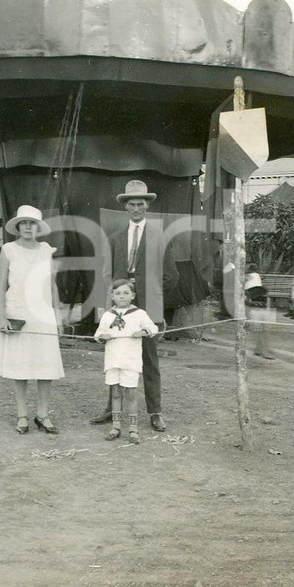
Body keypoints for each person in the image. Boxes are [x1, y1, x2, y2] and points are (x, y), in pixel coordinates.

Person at [91, 180, 178, 433]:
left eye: (141, 203)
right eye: (132, 204)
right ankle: (112, 410)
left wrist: (148, 293)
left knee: (149, 359)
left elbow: (172, 277)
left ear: (147, 206)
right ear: (126, 207)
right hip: (119, 308)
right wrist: (119, 297)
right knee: (116, 358)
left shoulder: (160, 237)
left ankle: (155, 412)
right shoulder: (116, 238)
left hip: (149, 308)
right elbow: (107, 275)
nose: (137, 208)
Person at [0, 204, 65, 434]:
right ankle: (22, 415)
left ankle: (42, 414)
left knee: (46, 366)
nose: (28, 227)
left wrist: (58, 316)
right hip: (17, 313)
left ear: (37, 227)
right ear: (18, 226)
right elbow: (1, 285)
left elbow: (52, 285)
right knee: (19, 367)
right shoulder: (9, 250)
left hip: (42, 315)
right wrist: (2, 317)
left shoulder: (45, 250)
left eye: (32, 223)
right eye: (24, 223)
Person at [94, 279, 159, 444]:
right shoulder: (108, 315)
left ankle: (133, 429)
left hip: (131, 360)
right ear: (112, 296)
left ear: (133, 296)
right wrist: (103, 336)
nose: (121, 297)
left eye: (125, 293)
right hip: (113, 360)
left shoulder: (139, 314)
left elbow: (153, 328)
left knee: (131, 394)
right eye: (117, 293)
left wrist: (143, 331)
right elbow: (98, 333)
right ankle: (116, 427)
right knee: (115, 393)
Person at [244, 264, 275, 360]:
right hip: (251, 304)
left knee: (261, 327)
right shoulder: (253, 276)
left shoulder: (251, 277)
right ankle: (263, 350)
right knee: (262, 327)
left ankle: (259, 349)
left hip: (253, 302)